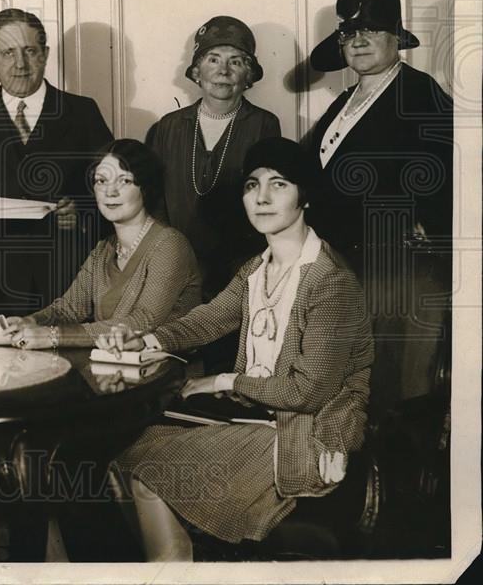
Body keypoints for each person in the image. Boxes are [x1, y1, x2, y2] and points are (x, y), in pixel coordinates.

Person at [97, 137, 374, 560]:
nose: (261, 197)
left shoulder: (329, 282)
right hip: (255, 416)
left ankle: (173, 565)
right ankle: (179, 561)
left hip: (301, 434)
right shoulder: (257, 269)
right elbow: (210, 318)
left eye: (278, 185)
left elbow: (307, 392)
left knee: (146, 469)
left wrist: (222, 380)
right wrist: (149, 339)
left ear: (305, 197)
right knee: (120, 454)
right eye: (251, 185)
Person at [308, 0, 453, 411]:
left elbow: (442, 183)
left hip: (398, 277)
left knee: (393, 395)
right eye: (349, 33)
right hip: (349, 271)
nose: (359, 41)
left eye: (371, 30)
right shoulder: (346, 102)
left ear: (396, 38)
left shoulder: (421, 93)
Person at [0, 8, 113, 316]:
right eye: (8, 52)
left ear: (45, 55)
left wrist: (82, 212)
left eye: (29, 51)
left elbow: (119, 192)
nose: (20, 64)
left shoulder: (82, 113)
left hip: (71, 284)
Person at [3, 139, 201, 349]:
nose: (110, 192)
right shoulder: (103, 249)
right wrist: (30, 322)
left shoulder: (170, 245)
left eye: (124, 181)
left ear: (146, 187)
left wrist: (54, 336)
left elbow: (143, 321)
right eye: (101, 181)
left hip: (169, 372)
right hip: (115, 367)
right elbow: (68, 309)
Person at [145, 16, 281, 302]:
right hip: (173, 268)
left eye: (236, 61)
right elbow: (153, 199)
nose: (223, 71)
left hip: (239, 270)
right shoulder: (168, 126)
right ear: (196, 71)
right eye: (213, 60)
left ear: (249, 76)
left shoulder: (264, 125)